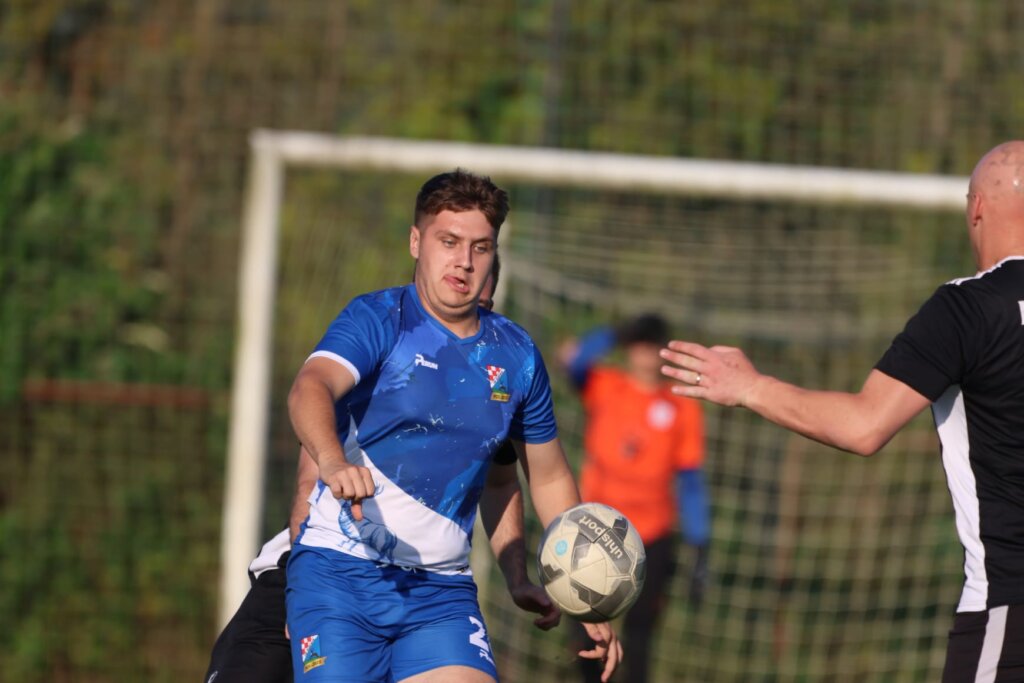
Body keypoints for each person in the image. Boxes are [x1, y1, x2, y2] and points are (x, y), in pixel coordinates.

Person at [659, 141, 1024, 682]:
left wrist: (750, 387)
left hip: (1009, 608)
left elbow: (864, 426)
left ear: (977, 209)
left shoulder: (968, 308)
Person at [285, 169, 621, 683]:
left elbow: (547, 476)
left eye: (480, 247)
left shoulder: (518, 355)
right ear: (416, 242)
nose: (464, 261)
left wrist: (582, 585)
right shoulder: (379, 318)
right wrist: (333, 462)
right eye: (449, 242)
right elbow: (309, 388)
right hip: (339, 574)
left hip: (441, 592)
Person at [204, 262, 561, 683]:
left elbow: (503, 482)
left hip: (423, 591)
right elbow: (307, 485)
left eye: (479, 304)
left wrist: (520, 578)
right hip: (315, 569)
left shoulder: (487, 392)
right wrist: (303, 597)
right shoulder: (381, 348)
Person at [559, 313, 709, 683]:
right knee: (587, 635)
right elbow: (573, 361)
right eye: (638, 343)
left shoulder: (681, 406)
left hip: (651, 535)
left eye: (652, 345)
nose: (644, 353)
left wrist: (699, 543)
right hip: (595, 529)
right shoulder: (606, 385)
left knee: (640, 637)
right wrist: (614, 332)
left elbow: (690, 480)